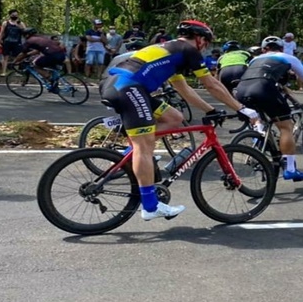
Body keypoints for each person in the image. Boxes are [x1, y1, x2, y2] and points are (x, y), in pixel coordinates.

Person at [100, 20, 258, 220]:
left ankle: (131, 155)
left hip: (122, 85)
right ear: (199, 39)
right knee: (144, 146)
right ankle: (150, 206)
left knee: (174, 117)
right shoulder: (187, 49)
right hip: (127, 87)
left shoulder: (173, 51)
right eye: (206, 42)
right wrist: (242, 108)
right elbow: (211, 84)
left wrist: (210, 110)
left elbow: (184, 89)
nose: (206, 47)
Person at [235, 35, 303, 182]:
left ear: (263, 49)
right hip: (263, 89)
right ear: (282, 48)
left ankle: (261, 139)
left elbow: (275, 84)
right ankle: (290, 170)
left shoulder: (256, 60)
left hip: (241, 91)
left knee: (261, 119)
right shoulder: (288, 58)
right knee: (286, 127)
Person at [0, 9, 26, 76]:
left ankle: (16, 72)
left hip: (17, 42)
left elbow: (25, 32)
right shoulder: (5, 23)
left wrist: (19, 26)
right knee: (5, 57)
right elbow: (1, 33)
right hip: (7, 42)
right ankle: (4, 72)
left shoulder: (21, 23)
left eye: (16, 15)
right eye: (13, 15)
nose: (15, 16)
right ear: (10, 15)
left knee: (17, 57)